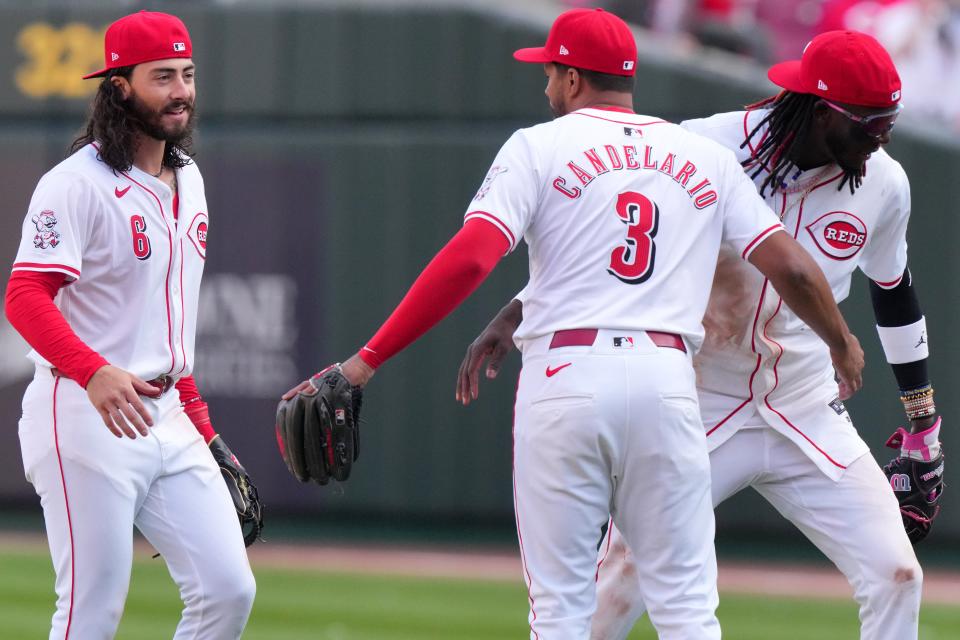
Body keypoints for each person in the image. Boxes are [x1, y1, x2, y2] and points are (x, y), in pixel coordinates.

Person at [284, 9, 864, 638]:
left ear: (568, 77)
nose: (545, 87)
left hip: (566, 374)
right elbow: (796, 272)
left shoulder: (540, 144)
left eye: (549, 73)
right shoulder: (704, 155)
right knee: (688, 609)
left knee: (560, 610)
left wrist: (368, 358)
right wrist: (841, 342)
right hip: (668, 381)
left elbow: (473, 256)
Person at [457, 30, 939, 640]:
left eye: (889, 122)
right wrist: (518, 309)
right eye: (870, 124)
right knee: (620, 578)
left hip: (804, 401)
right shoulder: (709, 144)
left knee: (899, 574)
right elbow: (619, 254)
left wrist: (923, 425)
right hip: (704, 394)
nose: (883, 137)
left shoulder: (883, 181)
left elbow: (894, 291)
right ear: (823, 112)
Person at [4, 11, 256, 638]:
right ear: (119, 86)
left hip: (168, 414)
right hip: (82, 413)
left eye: (188, 74)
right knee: (92, 612)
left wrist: (206, 430)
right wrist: (91, 371)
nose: (181, 91)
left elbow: (169, 339)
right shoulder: (76, 184)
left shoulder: (190, 179)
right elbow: (25, 295)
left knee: (228, 590)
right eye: (162, 76)